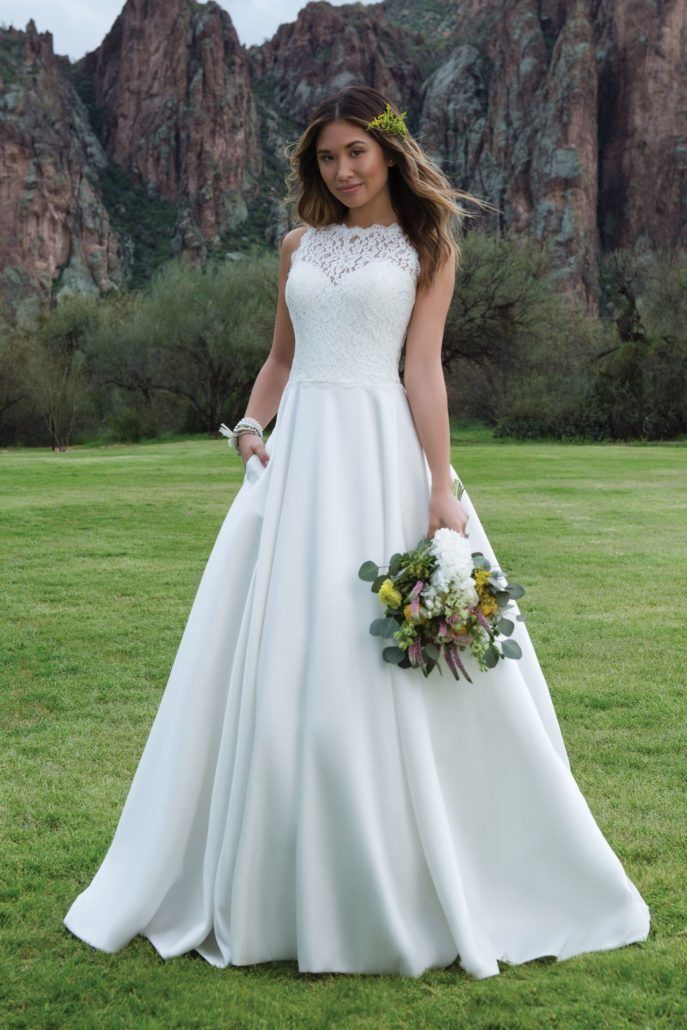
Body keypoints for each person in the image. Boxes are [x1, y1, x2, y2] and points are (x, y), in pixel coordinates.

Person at [63, 85, 651, 980]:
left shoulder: (426, 247)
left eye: (356, 153)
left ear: (389, 153)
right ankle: (269, 869)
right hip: (299, 468)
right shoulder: (296, 246)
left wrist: (440, 488)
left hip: (381, 457)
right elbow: (282, 358)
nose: (341, 171)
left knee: (379, 654)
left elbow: (423, 371)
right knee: (283, 651)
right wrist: (250, 426)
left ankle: (423, 863)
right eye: (327, 157)